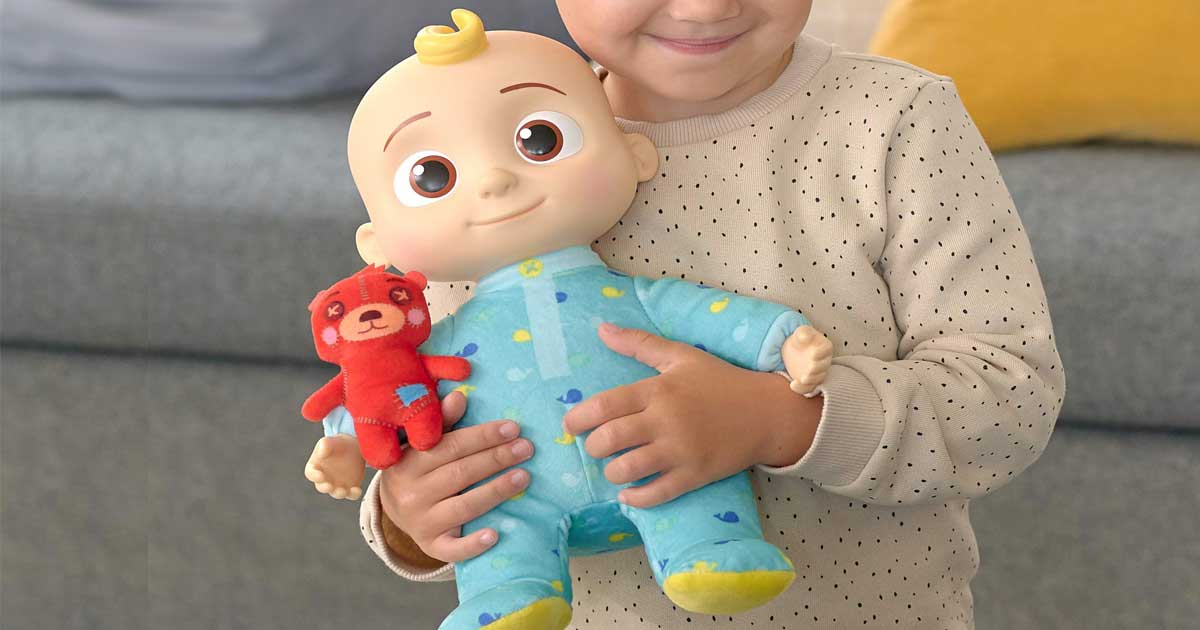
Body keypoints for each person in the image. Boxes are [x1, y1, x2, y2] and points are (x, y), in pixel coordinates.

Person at [310, 2, 1065, 627]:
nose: (706, 6)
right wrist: (409, 516)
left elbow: (1009, 396)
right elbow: (420, 409)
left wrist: (780, 422)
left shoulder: (894, 119)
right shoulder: (471, 149)